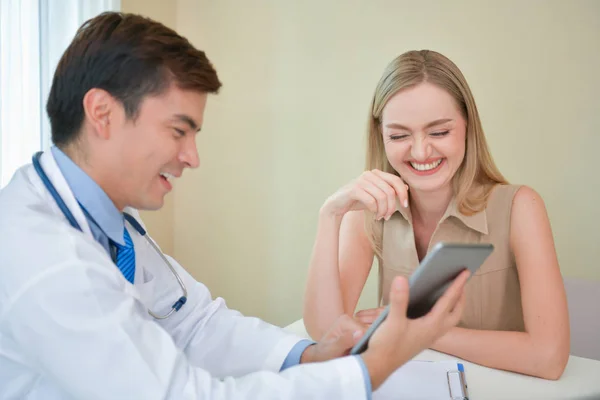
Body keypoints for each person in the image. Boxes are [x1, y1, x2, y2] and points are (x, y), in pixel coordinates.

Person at [0, 13, 470, 399]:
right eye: (178, 130)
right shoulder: (49, 260)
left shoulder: (112, 224)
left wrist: (306, 356)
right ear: (102, 114)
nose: (192, 157)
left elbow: (195, 323)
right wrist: (374, 366)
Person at [303, 49, 570, 380]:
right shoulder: (368, 211)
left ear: (467, 127)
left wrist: (418, 331)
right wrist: (331, 214)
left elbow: (549, 358)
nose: (420, 152)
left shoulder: (521, 207)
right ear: (381, 136)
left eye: (439, 132)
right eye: (399, 136)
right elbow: (328, 335)